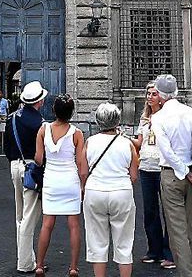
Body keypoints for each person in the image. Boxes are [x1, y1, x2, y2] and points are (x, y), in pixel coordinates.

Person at [149, 74, 192, 277]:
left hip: (173, 176)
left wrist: (186, 173)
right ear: (177, 92)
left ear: (160, 95)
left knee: (177, 231)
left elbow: (167, 152)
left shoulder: (159, 118)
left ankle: (186, 275)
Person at [83, 103, 139, 277]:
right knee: (124, 242)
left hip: (95, 191)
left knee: (97, 242)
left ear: (98, 121)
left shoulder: (90, 142)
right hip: (121, 191)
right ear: (118, 121)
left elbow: (83, 171)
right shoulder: (127, 144)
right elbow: (134, 175)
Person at [34, 94, 86, 277]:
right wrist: (83, 185)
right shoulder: (77, 133)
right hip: (70, 179)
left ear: (54, 110)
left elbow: (39, 160)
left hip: (51, 180)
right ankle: (73, 267)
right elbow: (81, 164)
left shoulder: (43, 130)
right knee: (73, 225)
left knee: (47, 224)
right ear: (72, 112)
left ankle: (39, 265)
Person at [5, 80, 47, 274]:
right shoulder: (40, 124)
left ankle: (26, 257)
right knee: (30, 217)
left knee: (20, 215)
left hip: (15, 166)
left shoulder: (11, 119)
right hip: (31, 169)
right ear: (39, 101)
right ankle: (25, 263)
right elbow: (42, 154)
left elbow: (6, 149)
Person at [134, 81, 175, 269]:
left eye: (154, 94)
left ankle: (169, 253)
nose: (150, 97)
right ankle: (154, 250)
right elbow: (139, 143)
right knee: (150, 211)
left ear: (162, 97)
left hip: (163, 167)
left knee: (168, 212)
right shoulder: (144, 119)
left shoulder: (168, 118)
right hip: (146, 168)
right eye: (148, 94)